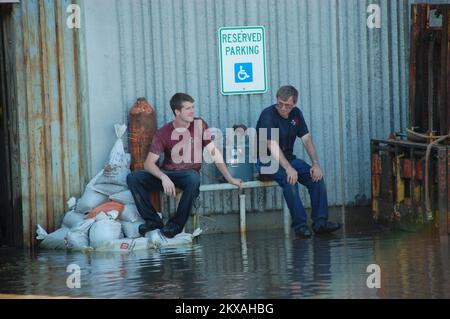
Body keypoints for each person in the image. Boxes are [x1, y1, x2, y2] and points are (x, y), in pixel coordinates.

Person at [127, 93, 242, 238]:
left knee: (193, 178)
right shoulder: (163, 133)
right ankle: (153, 221)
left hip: (188, 175)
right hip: (168, 174)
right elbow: (149, 164)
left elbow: (214, 153)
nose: (192, 111)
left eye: (193, 107)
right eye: (188, 108)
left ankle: (175, 225)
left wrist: (230, 178)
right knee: (133, 178)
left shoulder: (199, 125)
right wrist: (163, 177)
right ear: (177, 112)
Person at [256, 85, 341, 238]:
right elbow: (270, 144)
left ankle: (320, 223)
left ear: (294, 103)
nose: (282, 108)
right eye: (279, 103)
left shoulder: (296, 114)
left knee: (316, 178)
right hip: (266, 161)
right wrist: (288, 168)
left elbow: (306, 139)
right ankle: (300, 226)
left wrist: (316, 164)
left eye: (287, 105)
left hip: (288, 159)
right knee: (290, 180)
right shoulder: (267, 115)